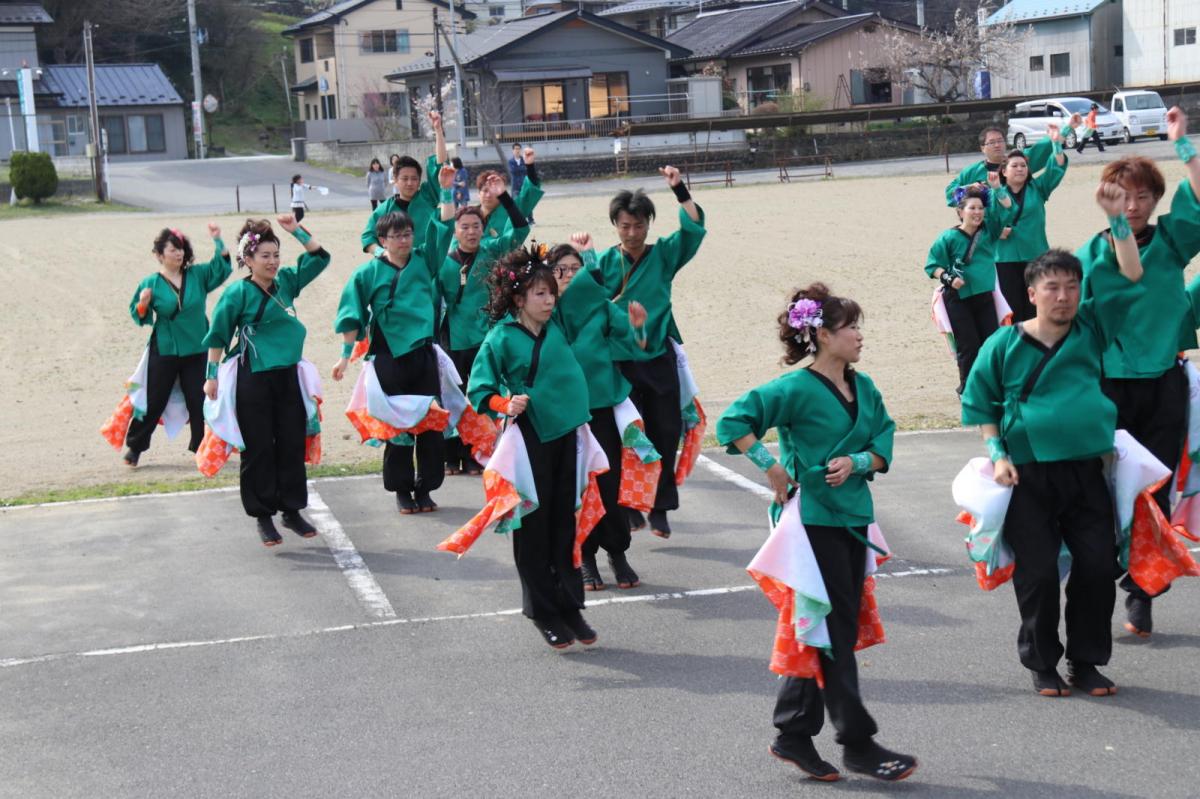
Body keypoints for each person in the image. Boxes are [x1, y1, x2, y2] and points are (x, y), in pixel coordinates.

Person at [717, 284, 915, 783]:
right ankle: (858, 743)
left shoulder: (865, 387)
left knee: (828, 627)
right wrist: (771, 466)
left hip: (853, 517)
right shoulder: (795, 388)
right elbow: (733, 421)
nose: (859, 335)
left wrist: (859, 461)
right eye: (851, 327)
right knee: (833, 632)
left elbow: (883, 439)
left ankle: (792, 731)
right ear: (823, 335)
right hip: (813, 524)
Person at [962, 180, 1147, 697]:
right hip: (1027, 474)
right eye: (1052, 287)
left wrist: (1117, 220)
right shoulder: (1004, 343)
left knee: (1097, 566)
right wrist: (997, 454)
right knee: (1040, 573)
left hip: (1088, 469)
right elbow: (981, 404)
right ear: (1031, 293)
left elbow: (1131, 274)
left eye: (1071, 286)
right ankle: (1042, 660)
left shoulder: (1092, 327)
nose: (1063, 296)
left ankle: (1086, 662)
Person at [1079, 107, 1200, 637]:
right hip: (1106, 386)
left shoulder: (1172, 240)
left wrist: (1182, 143)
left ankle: (1143, 590)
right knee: (1101, 488)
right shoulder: (1093, 251)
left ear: (1155, 200)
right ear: (1108, 197)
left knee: (1156, 489)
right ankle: (1102, 574)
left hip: (1164, 382)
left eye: (1144, 196)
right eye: (1123, 195)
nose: (1133, 205)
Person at [466, 249, 598, 648]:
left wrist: (586, 252)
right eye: (540, 293)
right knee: (534, 527)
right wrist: (505, 403)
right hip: (530, 440)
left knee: (564, 522)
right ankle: (543, 611)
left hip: (568, 434)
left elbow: (591, 286)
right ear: (519, 298)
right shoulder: (501, 337)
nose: (549, 300)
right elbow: (479, 390)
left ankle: (570, 606)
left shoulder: (557, 323)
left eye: (551, 293)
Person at [588, 166, 706, 539]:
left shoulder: (664, 255)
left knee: (665, 431)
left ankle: (659, 507)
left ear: (648, 225)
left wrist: (679, 188)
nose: (632, 233)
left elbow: (694, 227)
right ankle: (627, 506)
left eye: (638, 226)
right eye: (625, 226)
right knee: (625, 435)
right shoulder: (603, 262)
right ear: (615, 226)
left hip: (657, 356)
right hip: (617, 362)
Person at [202, 214, 331, 546]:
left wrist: (296, 231)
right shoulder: (236, 294)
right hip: (253, 378)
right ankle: (263, 516)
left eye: (276, 255)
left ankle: (291, 510)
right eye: (264, 256)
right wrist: (211, 377)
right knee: (258, 448)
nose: (272, 262)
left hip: (288, 376)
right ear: (248, 260)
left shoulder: (286, 282)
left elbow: (320, 258)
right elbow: (218, 336)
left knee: (291, 443)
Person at [333, 166, 456, 513]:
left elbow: (445, 227)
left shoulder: (425, 260)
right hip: (388, 357)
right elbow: (351, 316)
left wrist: (446, 190)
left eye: (408, 234)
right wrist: (344, 356)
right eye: (396, 236)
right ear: (382, 240)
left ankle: (426, 488)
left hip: (423, 355)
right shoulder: (367, 273)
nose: (404, 240)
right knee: (398, 429)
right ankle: (402, 490)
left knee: (431, 425)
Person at [552, 234, 652, 590]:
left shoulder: (602, 308)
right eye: (561, 270)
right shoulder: (545, 312)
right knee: (575, 489)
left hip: (603, 409)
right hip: (564, 414)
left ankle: (617, 551)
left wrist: (638, 327)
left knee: (608, 485)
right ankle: (585, 556)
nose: (569, 276)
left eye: (575, 269)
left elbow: (634, 344)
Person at [435, 176, 532, 475]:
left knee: (482, 396)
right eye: (464, 227)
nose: (471, 232)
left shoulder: (491, 250)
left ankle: (475, 453)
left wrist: (505, 197)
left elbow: (521, 230)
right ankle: (450, 456)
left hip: (485, 338)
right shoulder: (444, 260)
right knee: (452, 398)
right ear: (455, 231)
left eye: (476, 226)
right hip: (453, 339)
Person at [114, 225, 232, 466]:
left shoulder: (197, 275)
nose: (178, 254)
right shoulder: (151, 283)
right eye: (172, 250)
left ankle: (202, 448)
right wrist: (143, 304)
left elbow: (221, 268)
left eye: (181, 249)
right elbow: (138, 315)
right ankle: (135, 447)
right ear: (159, 255)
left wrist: (218, 240)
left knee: (199, 400)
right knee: (154, 399)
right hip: (166, 348)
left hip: (197, 347)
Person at [926, 172, 1012, 395]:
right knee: (968, 346)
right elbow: (932, 265)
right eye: (971, 208)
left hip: (984, 296)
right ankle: (967, 389)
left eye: (980, 208)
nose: (977, 212)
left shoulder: (990, 231)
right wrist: (948, 278)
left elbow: (1006, 208)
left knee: (991, 343)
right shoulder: (948, 238)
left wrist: (996, 188)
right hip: (958, 298)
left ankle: (992, 386)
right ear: (960, 211)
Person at [993, 124, 1069, 321]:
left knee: (1038, 305)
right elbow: (981, 222)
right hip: (1004, 258)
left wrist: (1056, 144)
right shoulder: (994, 193)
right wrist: (997, 231)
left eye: (1023, 165)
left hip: (1035, 254)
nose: (1020, 169)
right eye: (1014, 166)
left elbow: (1056, 168)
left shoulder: (1038, 188)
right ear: (1004, 171)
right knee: (1011, 308)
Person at [361, 112, 448, 254]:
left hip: (425, 263)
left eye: (414, 178)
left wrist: (438, 130)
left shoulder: (427, 197)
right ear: (395, 180)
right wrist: (381, 253)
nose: (409, 183)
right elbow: (368, 237)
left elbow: (440, 167)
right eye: (404, 178)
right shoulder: (385, 209)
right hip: (397, 265)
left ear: (419, 180)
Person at [944, 118, 1078, 206]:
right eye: (992, 142)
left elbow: (1044, 148)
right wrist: (969, 189)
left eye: (1000, 141)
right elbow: (950, 194)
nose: (997, 145)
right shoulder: (972, 172)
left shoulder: (1018, 161)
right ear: (982, 148)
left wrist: (1069, 127)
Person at [473, 144, 542, 244]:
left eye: (493, 190)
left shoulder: (511, 210)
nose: (488, 195)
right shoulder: (470, 216)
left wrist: (530, 167)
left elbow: (528, 195)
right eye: (485, 190)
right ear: (478, 194)